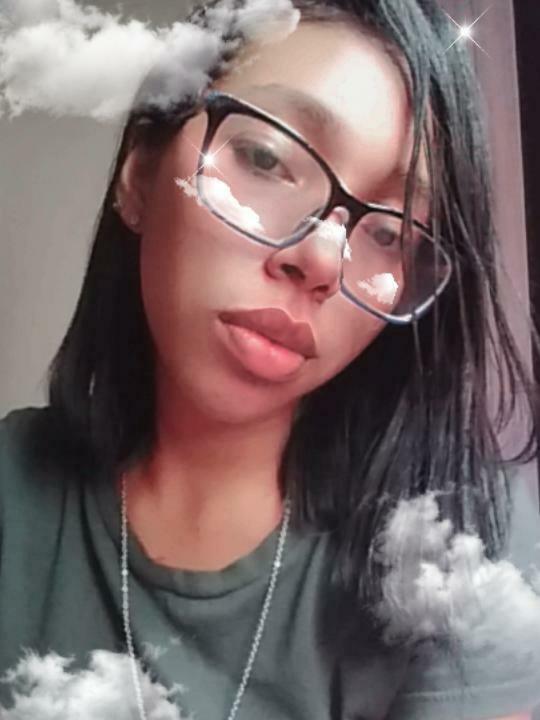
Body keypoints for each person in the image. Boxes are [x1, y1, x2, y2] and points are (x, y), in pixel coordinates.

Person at [1, 0, 540, 718]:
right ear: (139, 171)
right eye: (266, 159)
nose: (321, 259)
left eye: (391, 235)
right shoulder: (15, 495)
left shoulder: (467, 538)